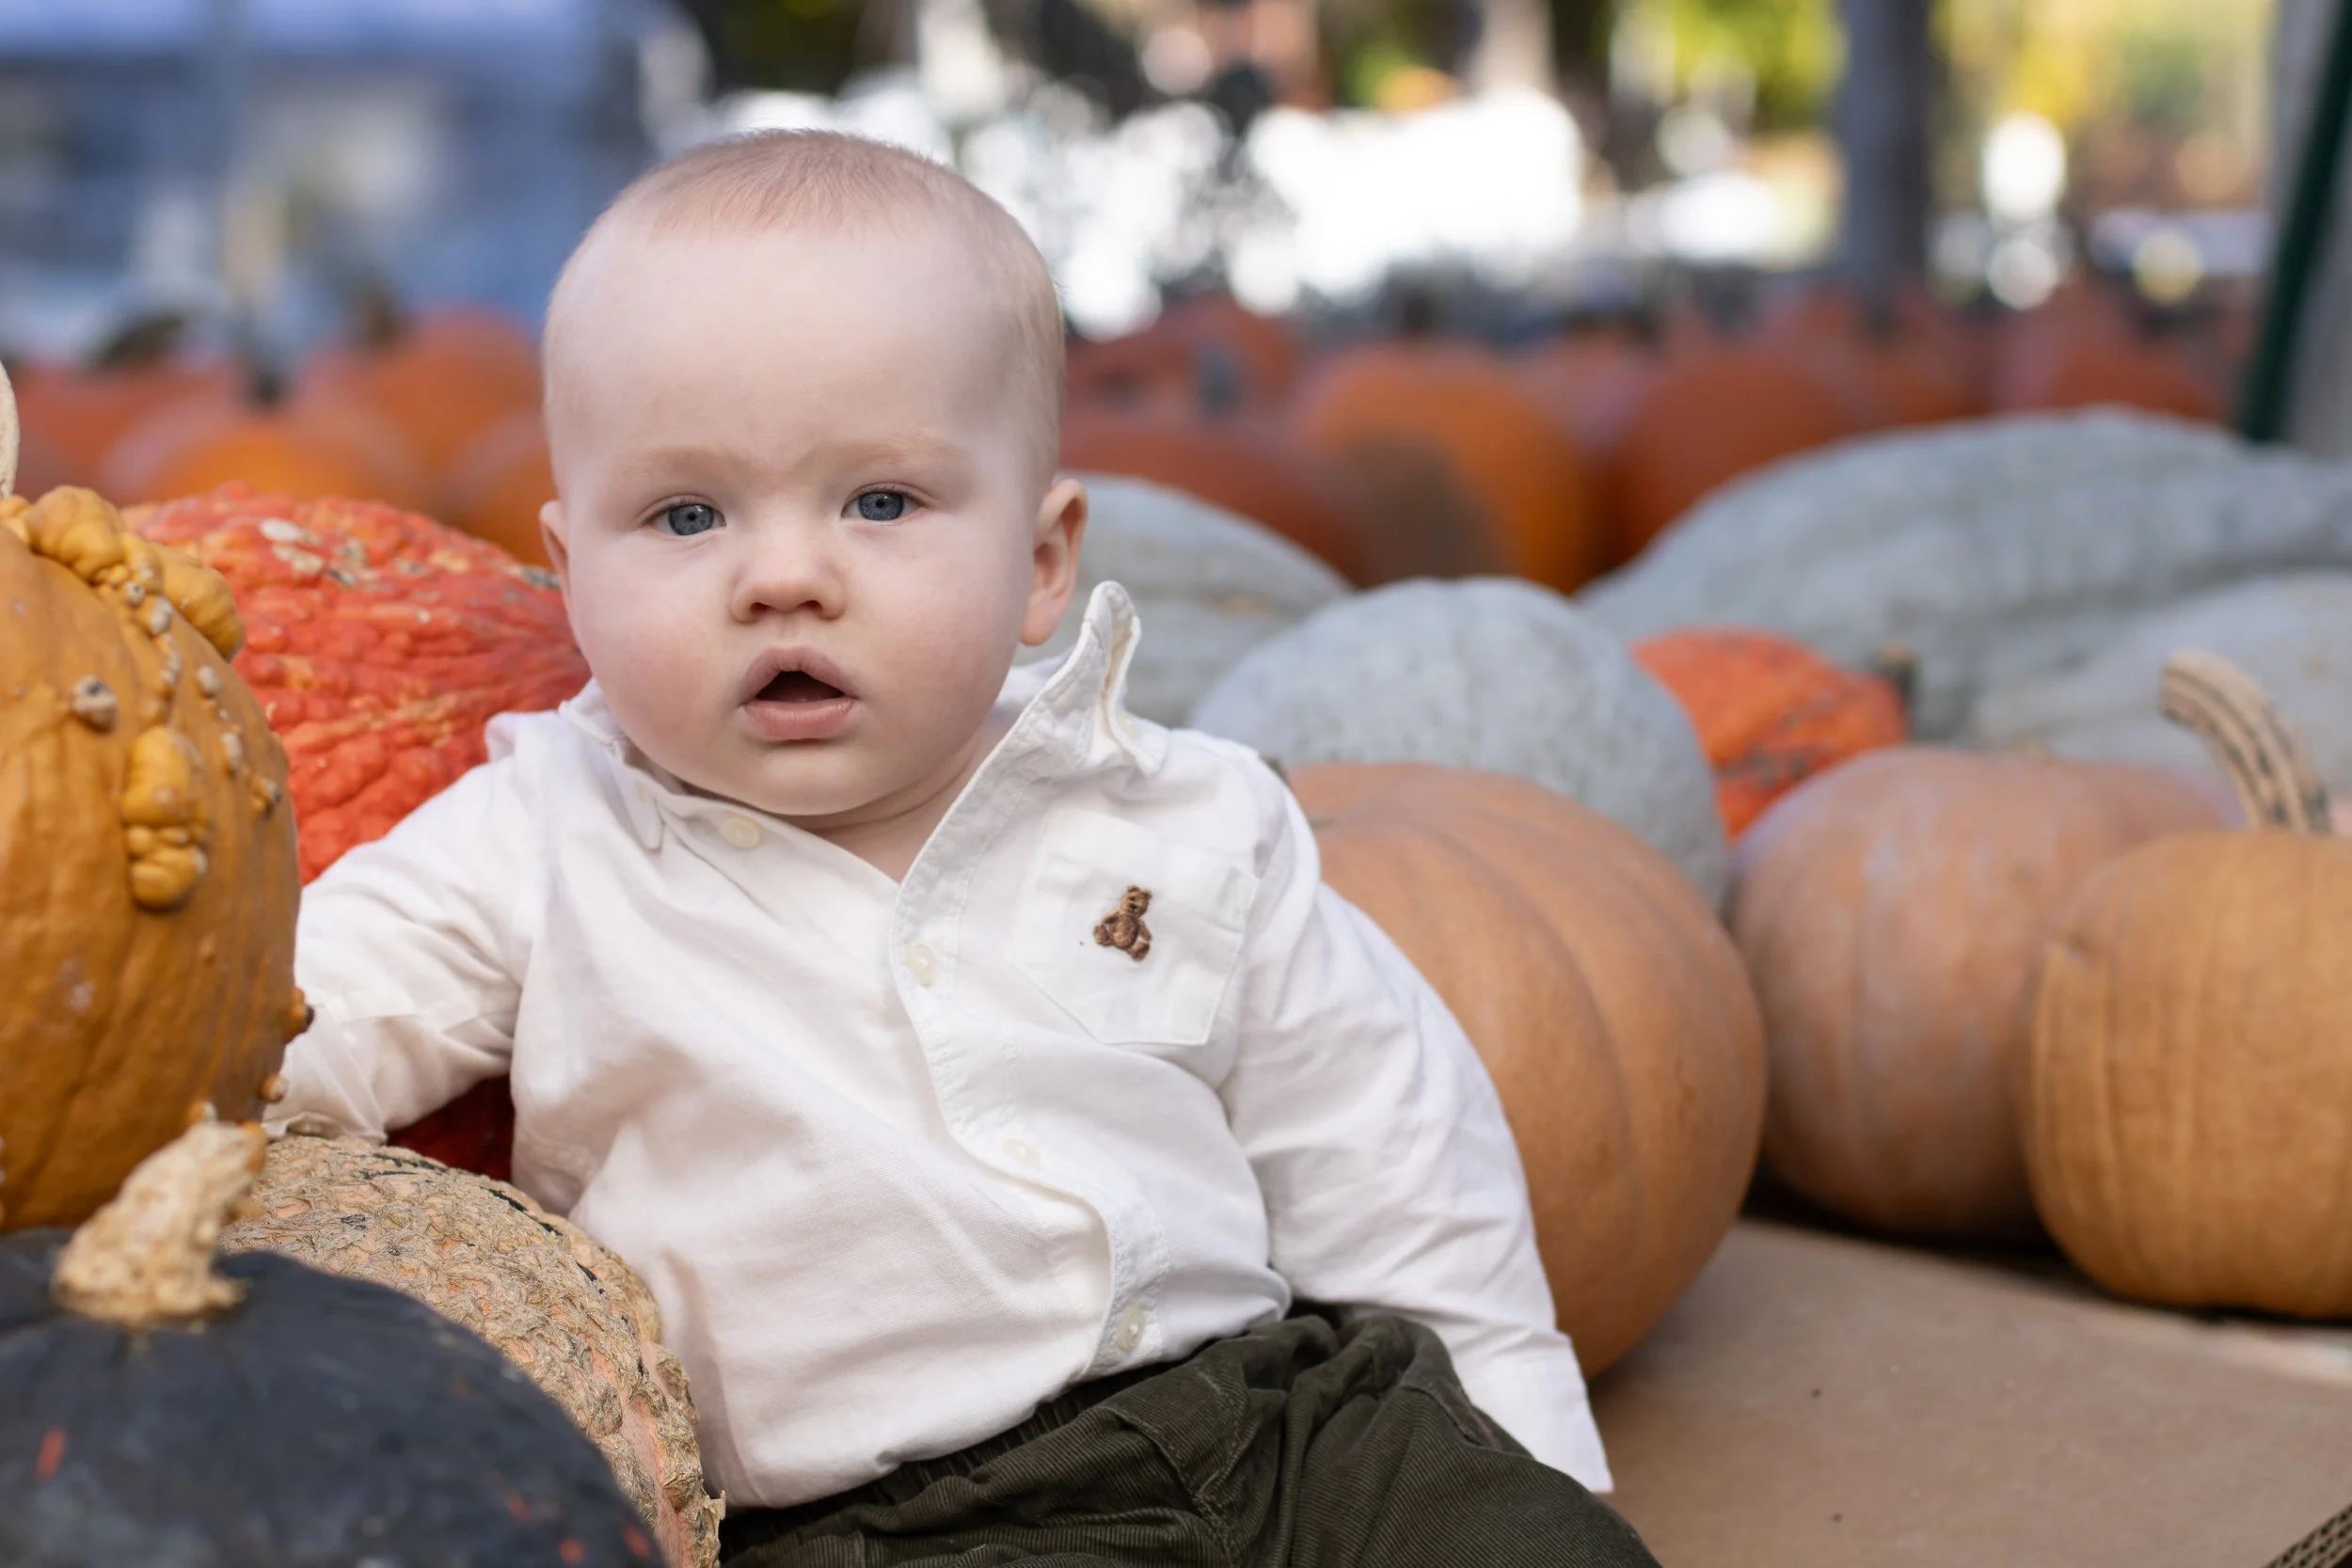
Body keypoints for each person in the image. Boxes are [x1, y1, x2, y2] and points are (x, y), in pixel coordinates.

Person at [267, 129, 1658, 1568]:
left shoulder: (1183, 809)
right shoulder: (547, 833)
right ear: (569, 575)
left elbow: (1386, 1149)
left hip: (1278, 1412)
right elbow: (294, 1011)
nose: (786, 576)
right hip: (898, 1524)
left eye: (882, 501)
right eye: (686, 514)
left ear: (1042, 559)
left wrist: (1525, 1439)